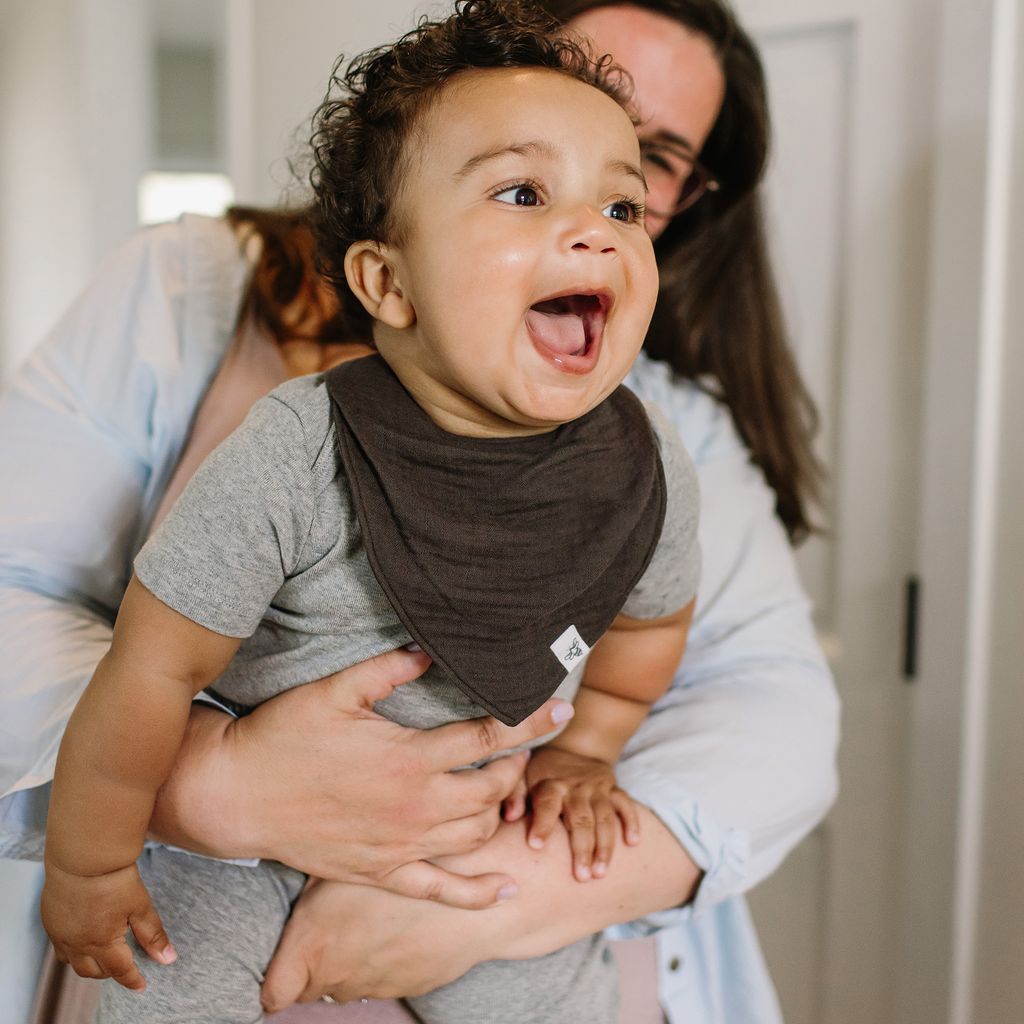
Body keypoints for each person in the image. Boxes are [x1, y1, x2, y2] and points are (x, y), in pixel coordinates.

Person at [0, 0, 839, 1021]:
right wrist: (190, 797)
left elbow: (745, 686)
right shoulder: (279, 420)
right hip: (222, 866)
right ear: (384, 277)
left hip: (480, 860)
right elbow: (132, 647)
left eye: (633, 178)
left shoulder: (651, 452)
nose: (587, 219)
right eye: (528, 182)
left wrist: (554, 801)